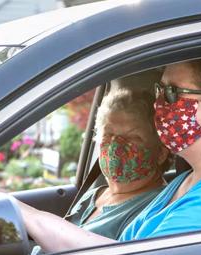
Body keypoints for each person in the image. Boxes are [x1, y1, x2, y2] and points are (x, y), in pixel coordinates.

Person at [20, 49, 201, 252]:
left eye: (173, 93)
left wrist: (32, 217)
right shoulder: (192, 180)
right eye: (159, 89)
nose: (158, 103)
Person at [20, 89, 170, 243]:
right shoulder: (96, 194)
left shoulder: (154, 209)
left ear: (161, 154)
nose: (115, 145)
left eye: (132, 137)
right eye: (108, 134)